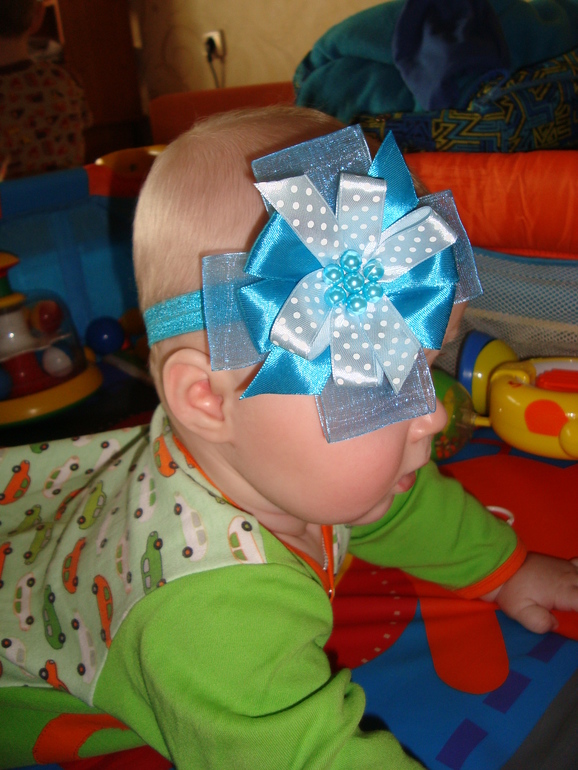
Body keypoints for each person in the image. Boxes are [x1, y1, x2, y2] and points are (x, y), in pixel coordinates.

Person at [1, 106, 578, 770]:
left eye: (424, 369)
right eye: (379, 387)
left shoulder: (276, 459)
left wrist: (503, 569)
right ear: (206, 400)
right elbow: (306, 757)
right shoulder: (209, 615)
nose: (435, 417)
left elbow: (398, 506)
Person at [0, 0, 92, 180]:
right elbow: (86, 122)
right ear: (37, 15)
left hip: (12, 199)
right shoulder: (65, 80)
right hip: (70, 195)